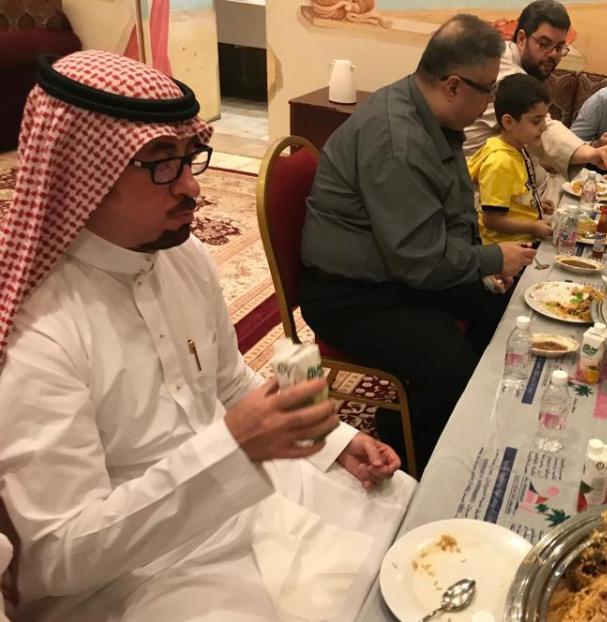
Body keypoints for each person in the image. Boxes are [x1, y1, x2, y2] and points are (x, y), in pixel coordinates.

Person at [0, 51, 415, 622]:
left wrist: (334, 440)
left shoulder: (183, 255)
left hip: (242, 494)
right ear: (81, 174)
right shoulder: (38, 332)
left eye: (190, 157)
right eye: (161, 165)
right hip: (139, 574)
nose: (193, 187)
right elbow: (58, 557)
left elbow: (226, 381)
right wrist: (233, 450)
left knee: (406, 513)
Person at [300, 15, 536, 467]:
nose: (491, 100)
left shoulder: (425, 111)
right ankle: (413, 460)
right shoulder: (399, 142)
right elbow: (420, 260)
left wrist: (482, 265)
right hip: (351, 294)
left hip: (393, 270)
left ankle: (455, 419)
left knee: (501, 306)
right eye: (488, 88)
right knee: (448, 366)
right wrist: (489, 259)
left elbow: (450, 214)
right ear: (453, 86)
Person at [463, 0, 607, 201]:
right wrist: (591, 153)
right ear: (521, 38)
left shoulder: (515, 62)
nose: (553, 55)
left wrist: (591, 151)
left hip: (520, 171)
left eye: (559, 47)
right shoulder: (506, 72)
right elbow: (544, 128)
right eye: (544, 44)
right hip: (483, 184)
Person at [468, 73, 554, 244]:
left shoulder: (517, 148)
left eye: (544, 119)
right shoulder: (500, 162)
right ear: (508, 122)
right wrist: (532, 226)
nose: (544, 127)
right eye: (536, 121)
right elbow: (492, 220)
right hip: (506, 247)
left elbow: (513, 195)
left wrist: (534, 204)